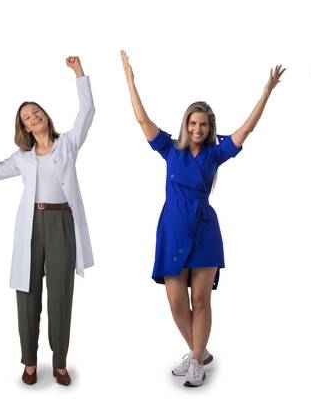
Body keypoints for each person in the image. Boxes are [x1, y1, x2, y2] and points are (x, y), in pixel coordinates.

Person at [121, 50, 283, 388]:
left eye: (203, 124)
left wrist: (266, 92)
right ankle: (200, 351)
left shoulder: (216, 152)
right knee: (176, 300)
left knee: (201, 299)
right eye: (193, 123)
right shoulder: (169, 148)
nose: (197, 128)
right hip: (172, 226)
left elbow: (246, 130)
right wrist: (130, 79)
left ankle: (196, 361)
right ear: (186, 125)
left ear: (210, 128)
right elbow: (141, 119)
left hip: (204, 227)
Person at [0, 56, 93, 387]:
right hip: (31, 227)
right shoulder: (23, 158)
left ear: (45, 117)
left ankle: (59, 362)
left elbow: (87, 113)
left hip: (61, 224)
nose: (34, 117)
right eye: (27, 117)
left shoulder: (67, 144)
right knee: (27, 295)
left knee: (60, 295)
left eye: (36, 111)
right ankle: (29, 361)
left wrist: (78, 74)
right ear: (24, 127)